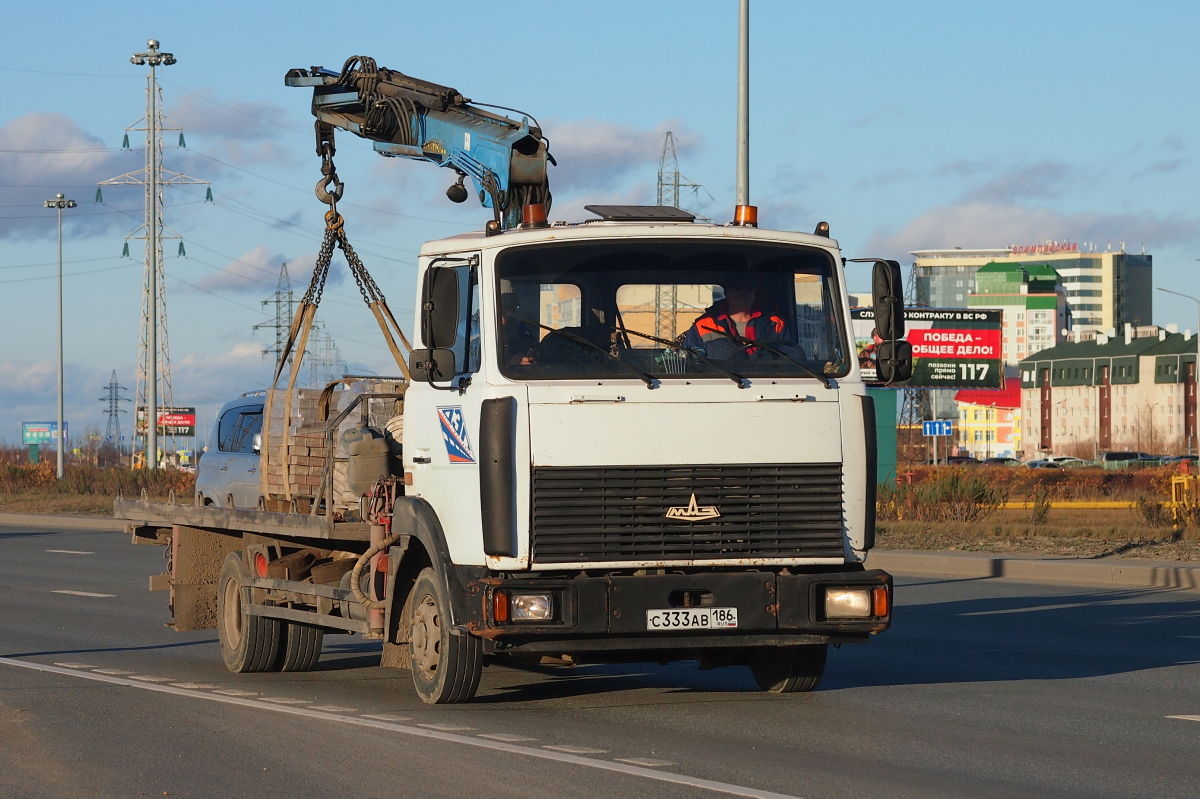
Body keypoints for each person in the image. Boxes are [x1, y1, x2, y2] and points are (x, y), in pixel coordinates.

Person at [682, 275, 791, 359]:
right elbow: (688, 362)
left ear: (754, 294)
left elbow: (793, 360)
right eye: (737, 287)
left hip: (770, 385)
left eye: (749, 288)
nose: (743, 291)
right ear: (727, 292)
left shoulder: (776, 324)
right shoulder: (703, 325)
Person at [499, 293, 540, 366]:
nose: (509, 314)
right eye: (503, 308)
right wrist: (509, 365)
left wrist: (533, 360)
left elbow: (535, 350)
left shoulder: (521, 331)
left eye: (512, 309)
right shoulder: (476, 332)